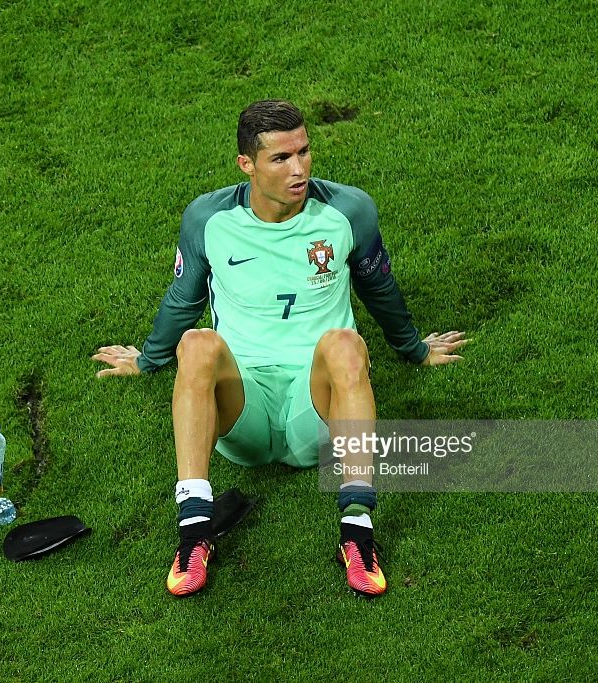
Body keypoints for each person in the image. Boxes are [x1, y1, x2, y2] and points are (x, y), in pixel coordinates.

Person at [93, 99, 466, 598]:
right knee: (198, 343)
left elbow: (379, 288)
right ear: (246, 165)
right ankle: (194, 531)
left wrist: (414, 348)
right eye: (281, 159)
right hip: (242, 413)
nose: (300, 169)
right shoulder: (209, 218)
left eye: (305, 152)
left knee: (345, 345)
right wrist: (147, 358)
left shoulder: (348, 210)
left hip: (315, 416)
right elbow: (185, 298)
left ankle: (357, 533)